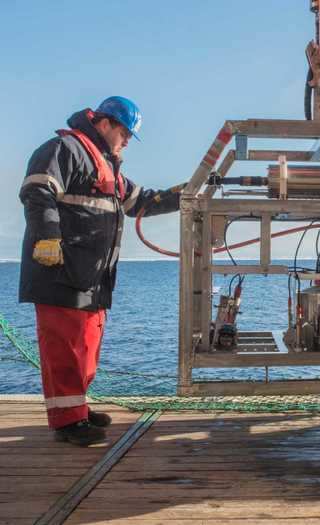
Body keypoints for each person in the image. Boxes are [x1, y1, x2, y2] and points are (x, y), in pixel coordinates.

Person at [19, 96, 182, 446]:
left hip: (90, 278)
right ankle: (67, 423)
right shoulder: (64, 149)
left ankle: (77, 409)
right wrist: (47, 238)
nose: (126, 142)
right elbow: (37, 191)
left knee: (86, 348)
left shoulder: (107, 167)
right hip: (60, 272)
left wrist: (184, 195)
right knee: (63, 348)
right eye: (124, 134)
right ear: (105, 123)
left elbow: (140, 202)